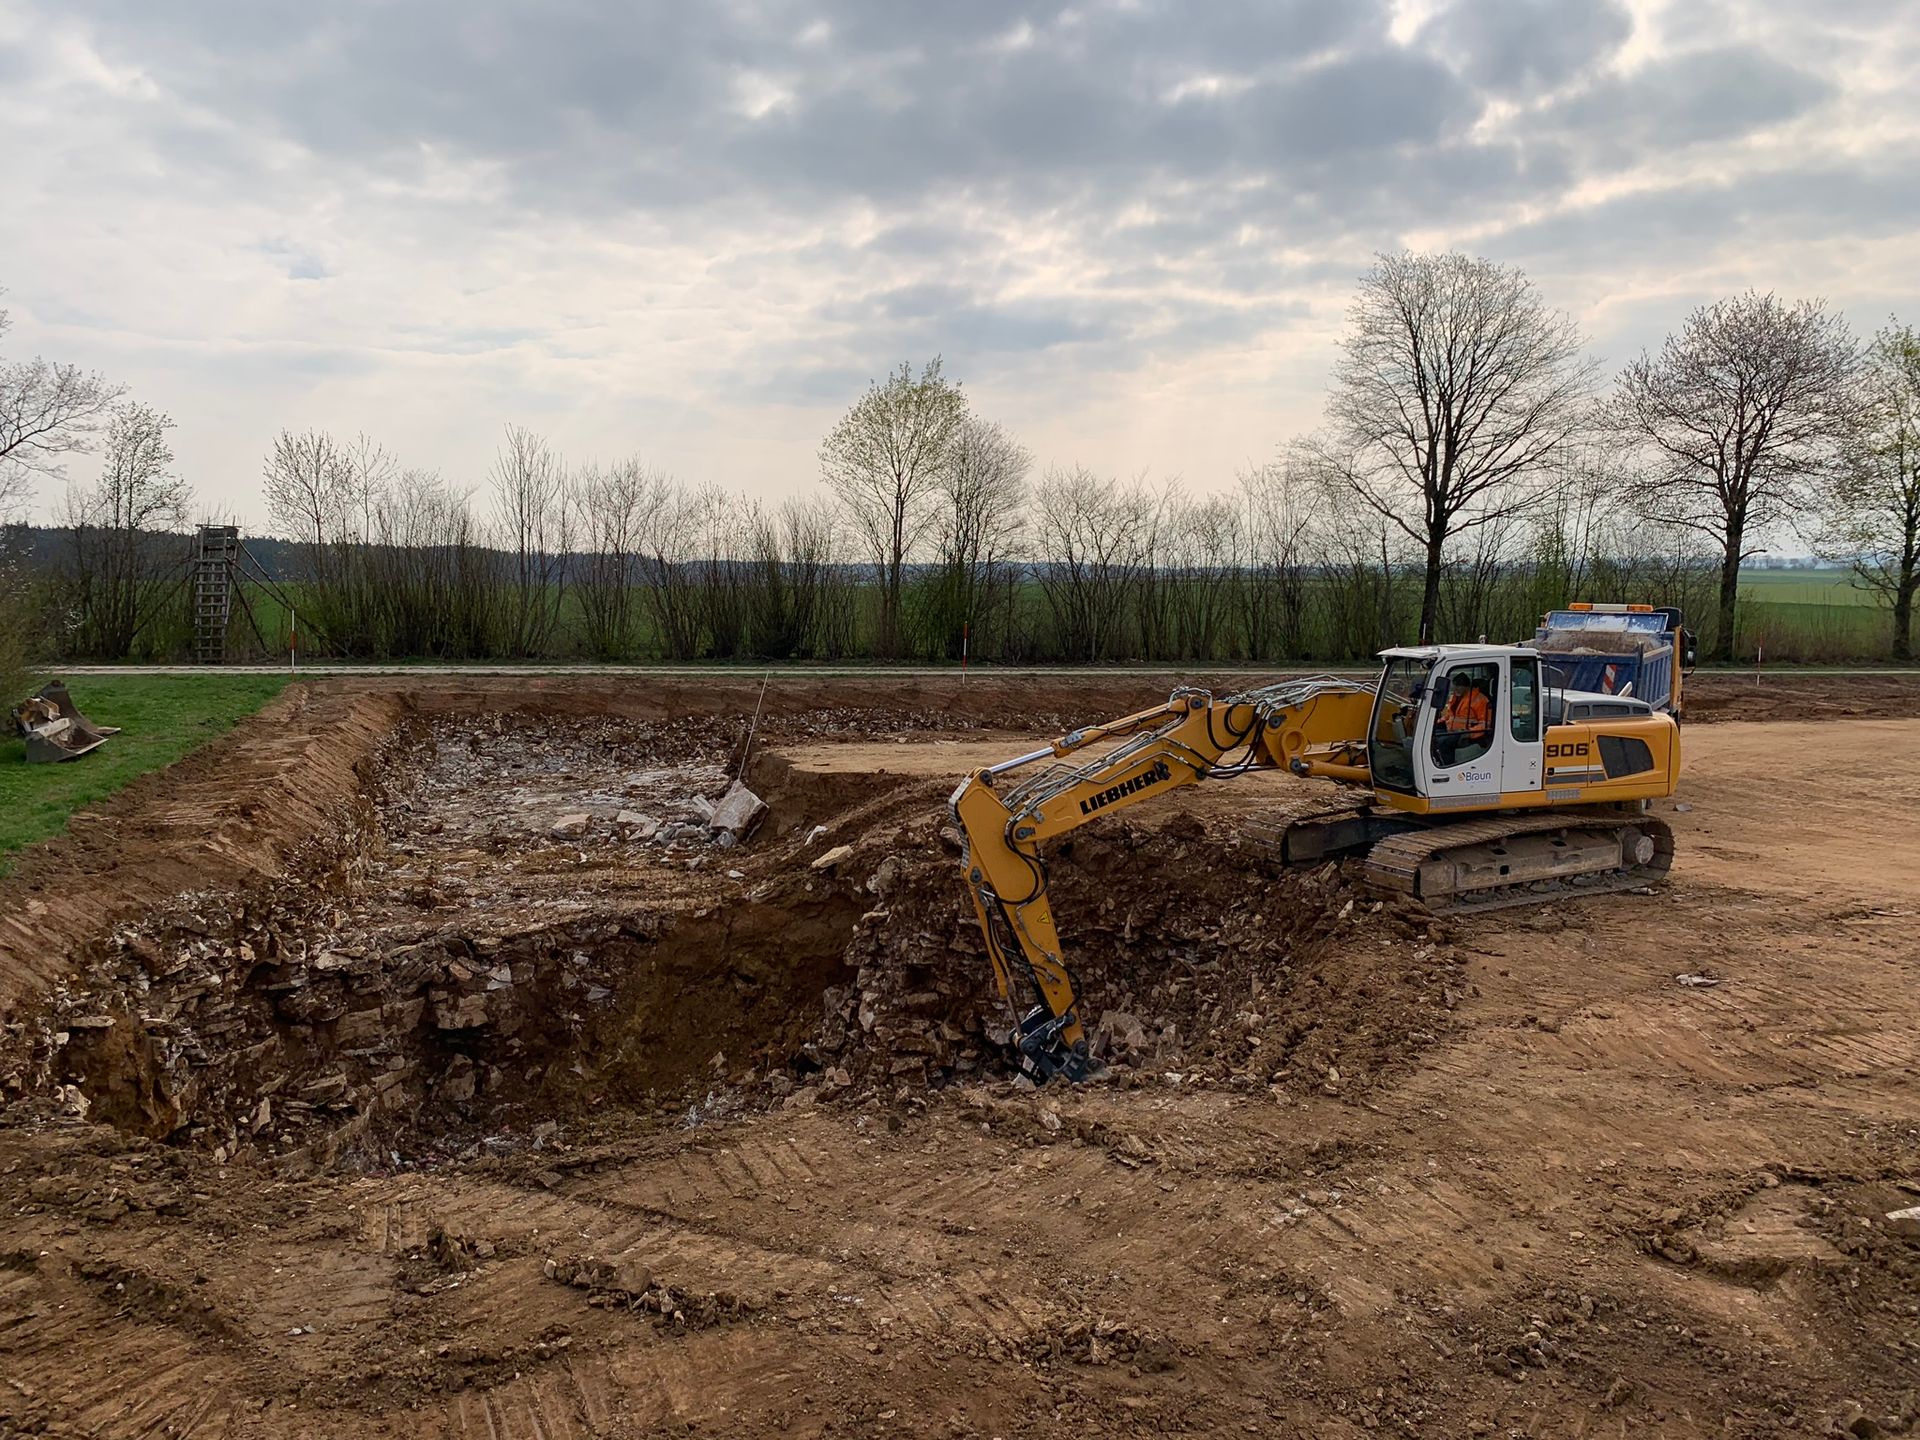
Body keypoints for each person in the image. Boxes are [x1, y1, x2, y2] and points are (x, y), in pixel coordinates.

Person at [1436, 673, 1492, 765]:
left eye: (1459, 686)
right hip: (1453, 731)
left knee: (1443, 742)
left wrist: (1469, 733)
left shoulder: (1480, 700)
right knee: (1433, 735)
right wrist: (1437, 722)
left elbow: (1485, 724)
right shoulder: (1455, 697)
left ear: (1467, 687)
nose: (1456, 689)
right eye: (1455, 686)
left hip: (1467, 734)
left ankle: (1448, 765)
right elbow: (1449, 715)